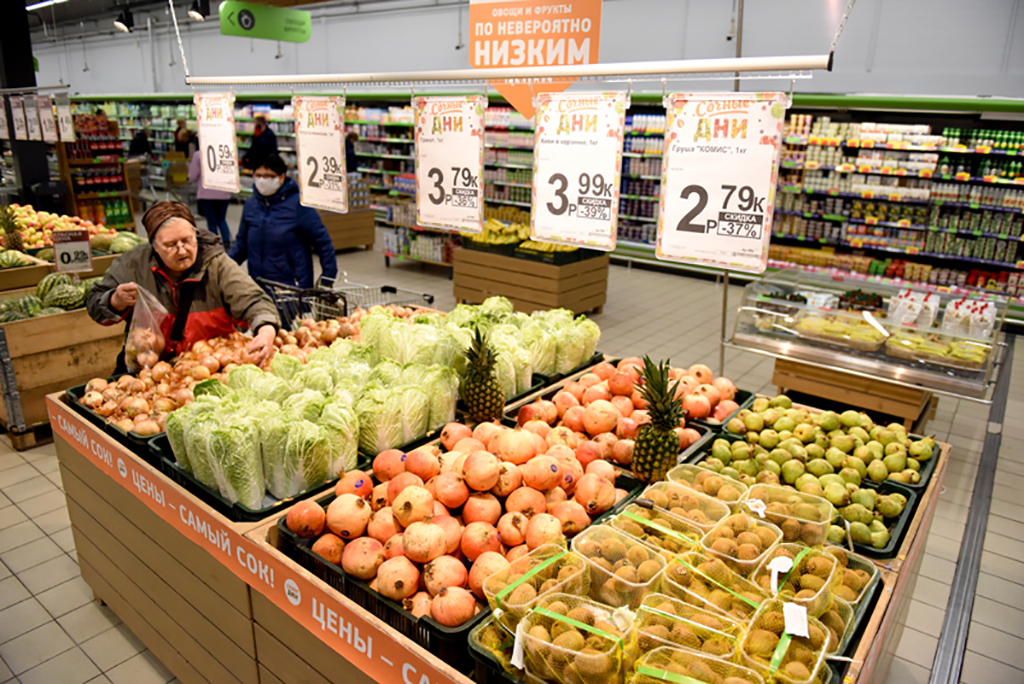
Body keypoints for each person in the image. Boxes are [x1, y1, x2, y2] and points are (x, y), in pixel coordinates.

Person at [87, 201, 279, 373]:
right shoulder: (133, 264)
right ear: (153, 246)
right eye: (171, 245)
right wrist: (115, 301)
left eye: (187, 241)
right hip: (146, 369)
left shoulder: (216, 264)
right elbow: (94, 304)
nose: (182, 250)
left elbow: (254, 300)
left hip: (206, 368)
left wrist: (266, 330)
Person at [230, 154, 337, 288]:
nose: (263, 180)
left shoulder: (298, 205)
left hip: (292, 288)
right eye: (258, 175)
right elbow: (241, 244)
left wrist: (327, 278)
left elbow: (323, 242)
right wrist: (223, 268)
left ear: (281, 177)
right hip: (258, 286)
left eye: (269, 176)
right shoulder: (251, 204)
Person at [189, 148, 233, 248]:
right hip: (224, 192)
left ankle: (214, 243)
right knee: (222, 219)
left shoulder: (198, 154)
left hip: (206, 193)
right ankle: (227, 242)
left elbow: (192, 176)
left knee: (211, 221)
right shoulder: (225, 153)